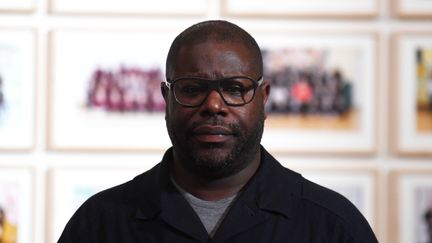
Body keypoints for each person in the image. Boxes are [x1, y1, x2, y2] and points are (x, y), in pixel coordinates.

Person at [58, 20, 378, 243]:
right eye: (193, 88)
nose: (214, 105)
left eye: (235, 88)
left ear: (264, 99)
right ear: (166, 98)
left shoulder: (333, 226)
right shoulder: (99, 224)